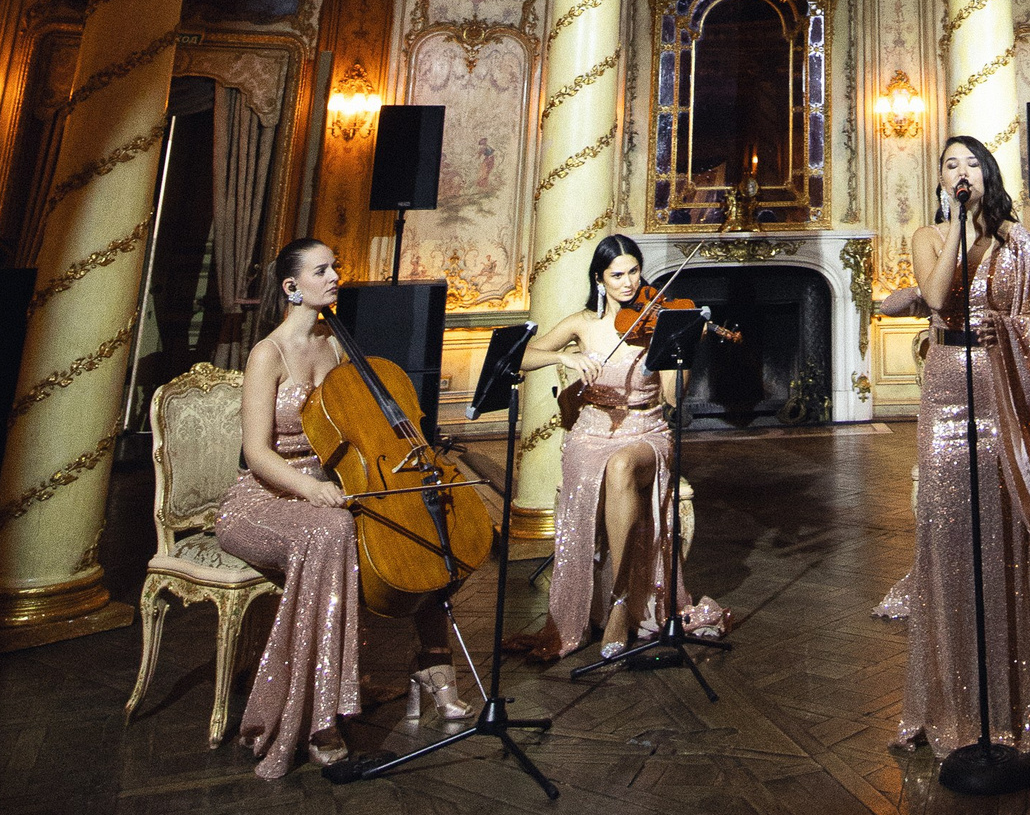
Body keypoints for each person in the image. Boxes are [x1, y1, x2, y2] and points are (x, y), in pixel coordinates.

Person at [214, 237, 466, 778]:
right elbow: (257, 453)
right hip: (263, 498)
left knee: (423, 524)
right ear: (292, 286)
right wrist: (308, 490)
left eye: (335, 268)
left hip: (332, 487)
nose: (335, 278)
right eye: (322, 270)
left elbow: (361, 427)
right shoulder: (267, 354)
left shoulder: (336, 347)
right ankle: (314, 719)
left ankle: (434, 662)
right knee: (331, 530)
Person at [884, 136, 1030, 757]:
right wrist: (960, 230)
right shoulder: (928, 237)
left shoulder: (1018, 242)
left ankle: (1012, 700)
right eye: (950, 165)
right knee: (947, 531)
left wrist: (1008, 330)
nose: (961, 171)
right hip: (945, 389)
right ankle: (949, 702)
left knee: (1001, 531)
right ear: (942, 181)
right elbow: (937, 298)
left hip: (1000, 386)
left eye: (971, 163)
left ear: (987, 175)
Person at [512, 234, 728, 662]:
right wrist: (564, 358)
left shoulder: (658, 322)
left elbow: (673, 399)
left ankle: (620, 599)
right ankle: (595, 607)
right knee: (607, 466)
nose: (628, 283)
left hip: (646, 432)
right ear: (599, 279)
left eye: (634, 272)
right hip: (589, 434)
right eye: (617, 275)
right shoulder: (581, 324)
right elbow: (519, 357)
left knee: (621, 466)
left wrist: (680, 349)